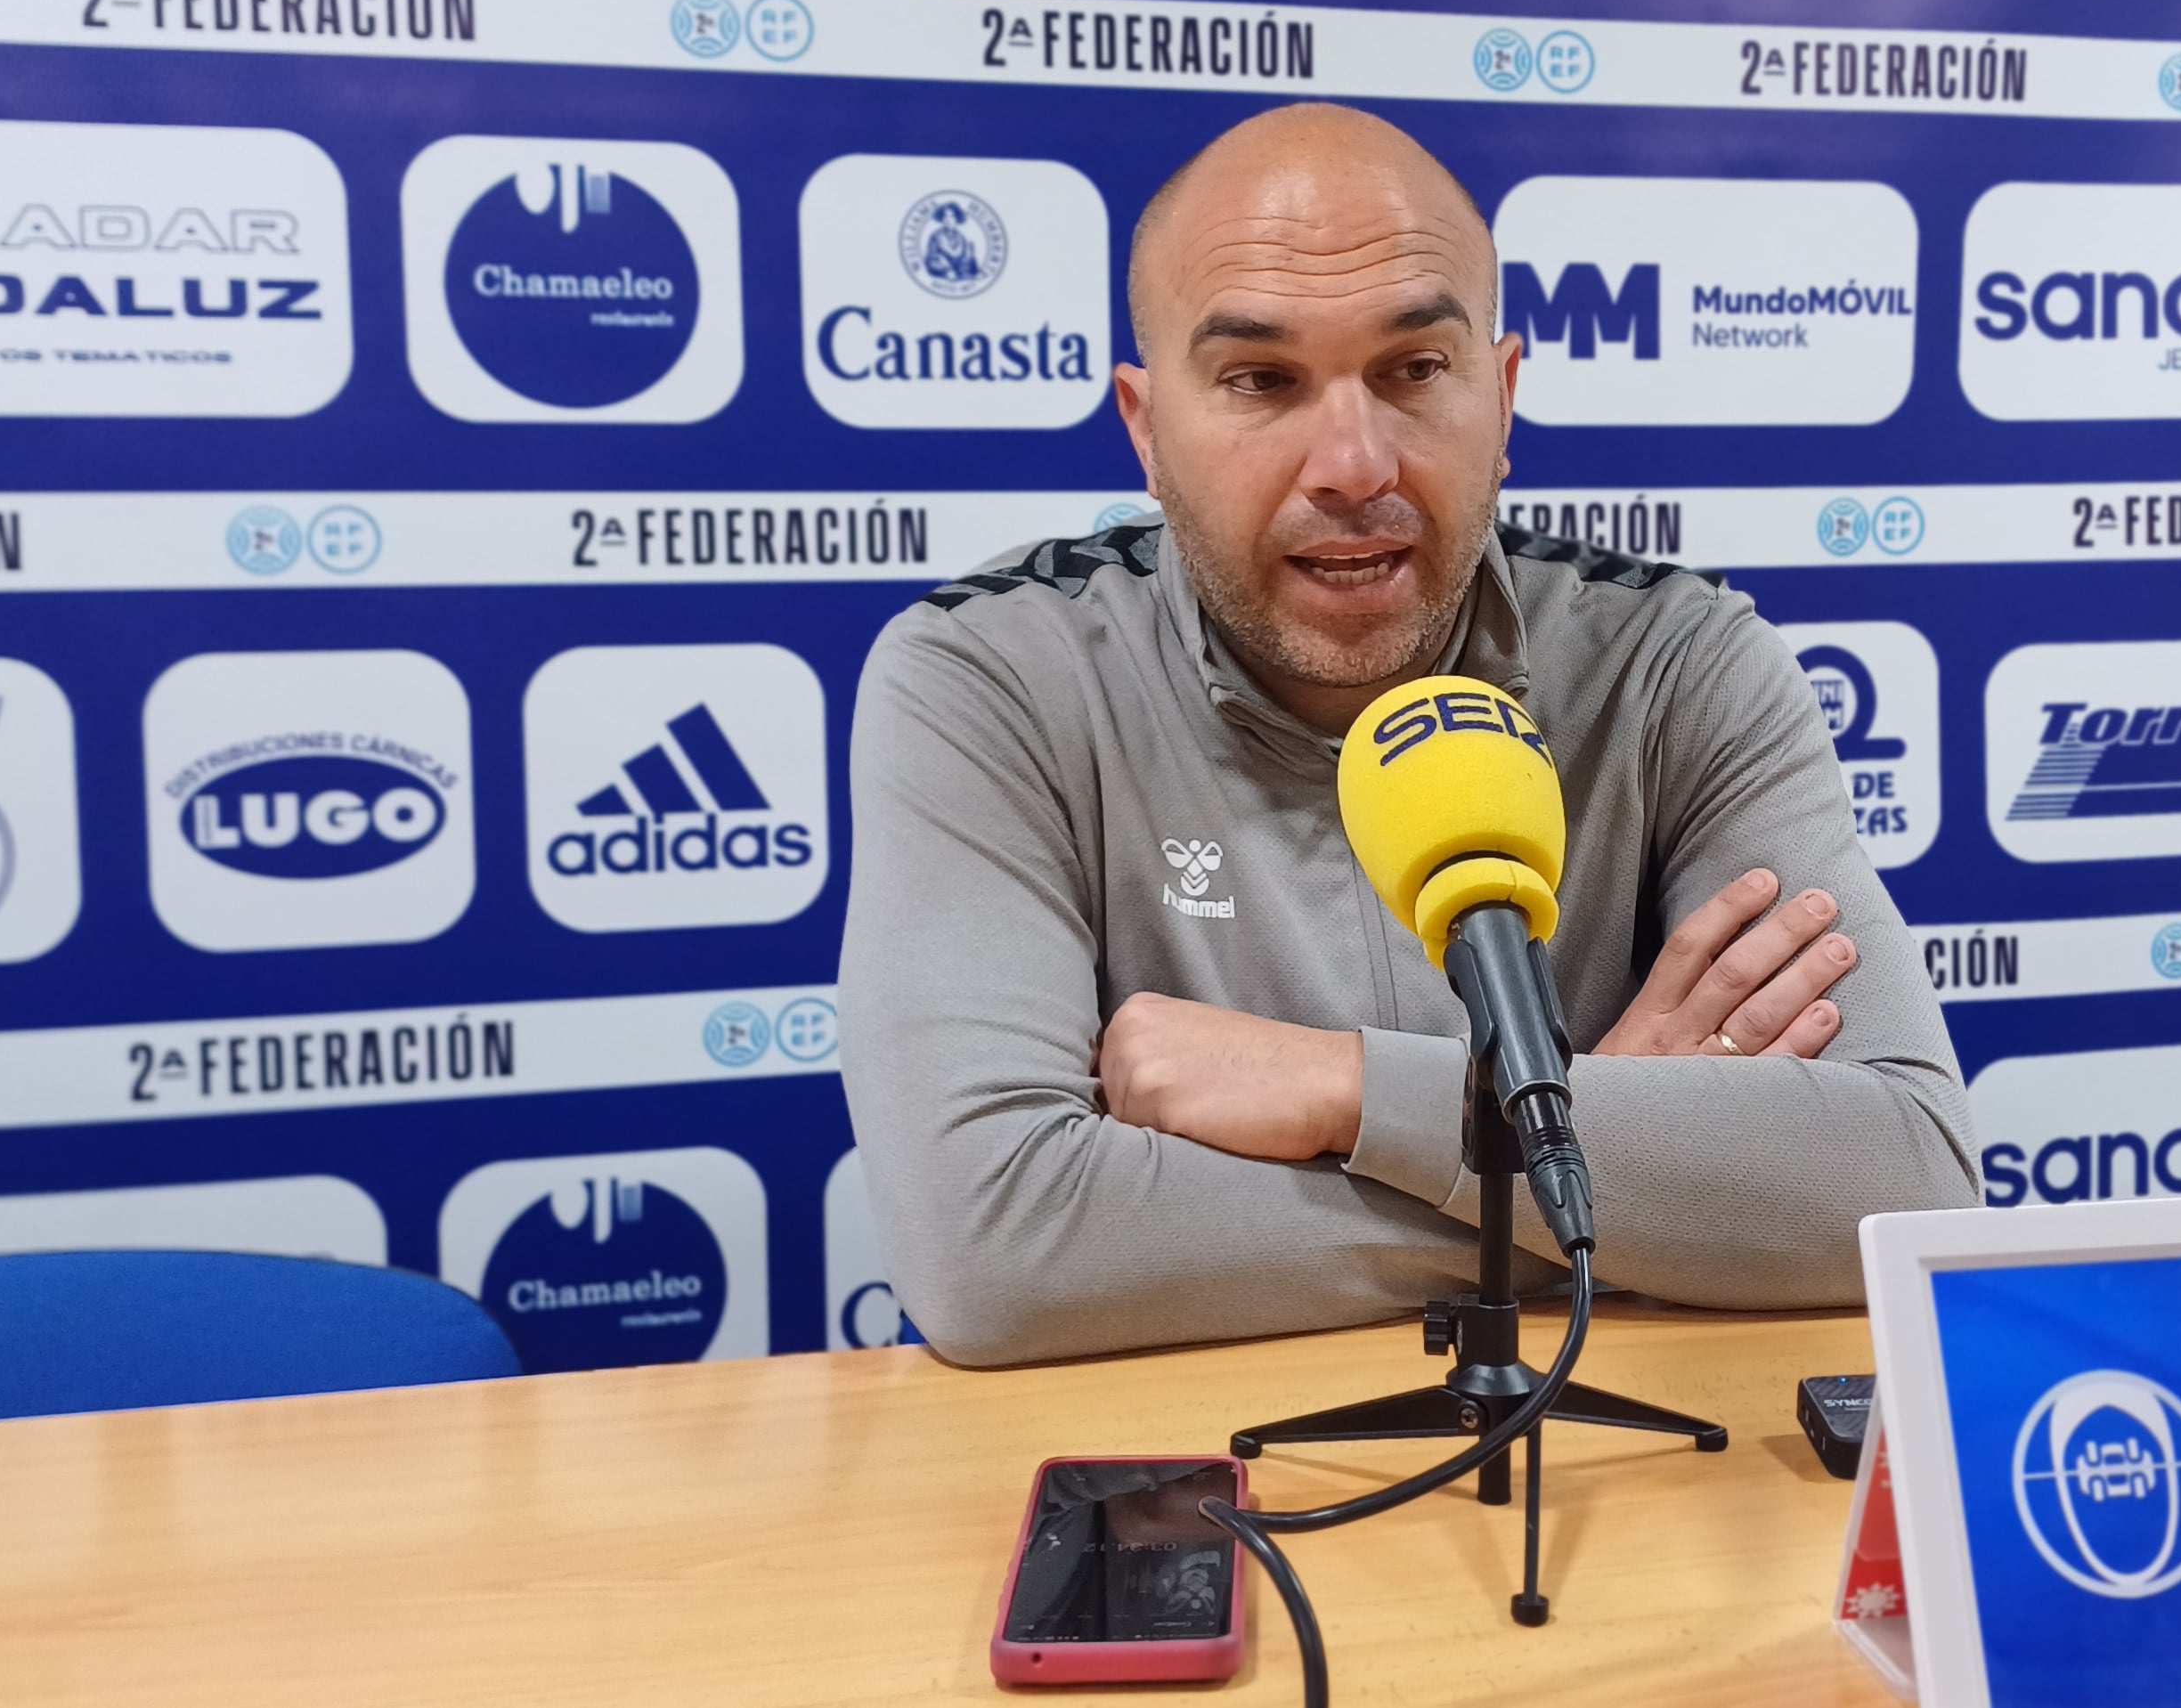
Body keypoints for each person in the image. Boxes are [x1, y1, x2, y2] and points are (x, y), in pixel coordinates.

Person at [840, 103, 1977, 1366]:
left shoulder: (1679, 662)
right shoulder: (988, 677)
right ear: (1146, 428)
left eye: (1415, 369)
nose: (1352, 458)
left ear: (1503, 397)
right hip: (1203, 1492)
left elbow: (1906, 1177)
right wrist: (1582, 1150)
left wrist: (1349, 1091)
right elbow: (994, 1250)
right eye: (1262, 379)